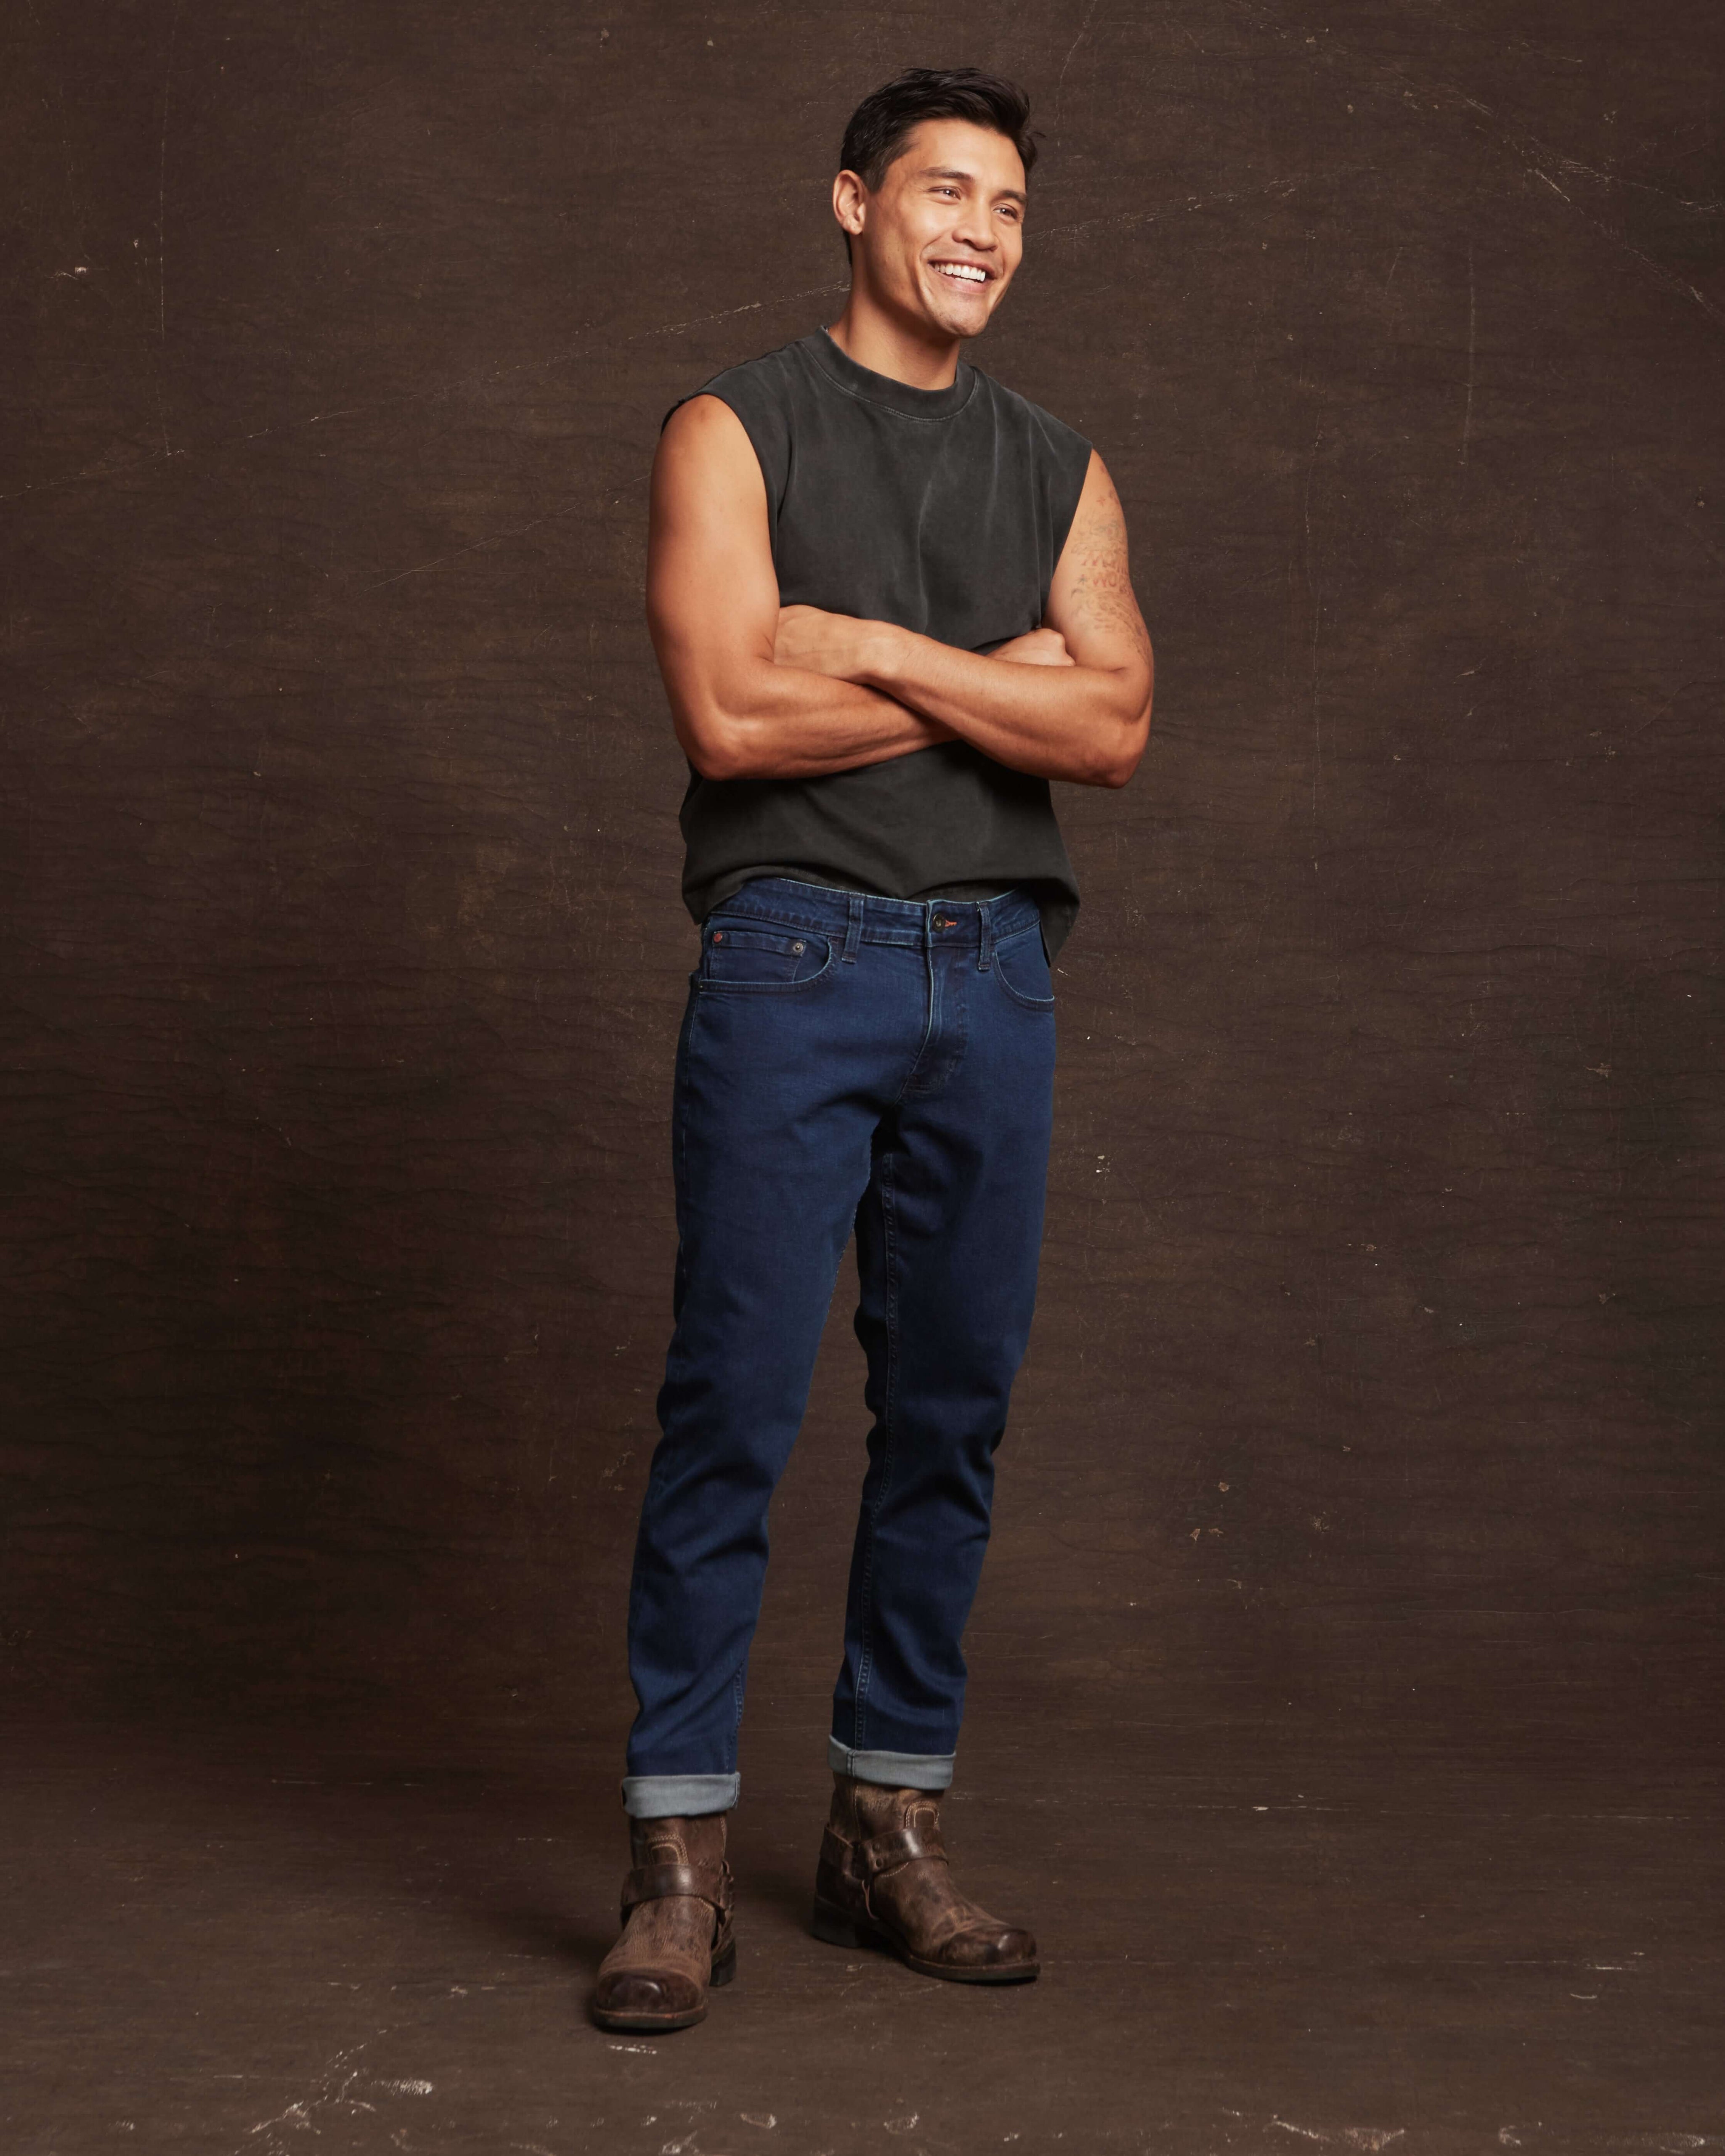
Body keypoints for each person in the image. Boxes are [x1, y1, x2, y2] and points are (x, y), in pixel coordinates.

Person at [591, 66, 1153, 2033]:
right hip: (791, 957)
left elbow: (1115, 729)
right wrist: (1004, 679)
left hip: (992, 976)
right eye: (941, 191)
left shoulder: (1060, 464)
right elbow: (732, 721)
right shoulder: (731, 426)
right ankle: (674, 1858)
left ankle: (880, 1827)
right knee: (731, 1403)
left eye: (1007, 202)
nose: (978, 230)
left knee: (951, 1414)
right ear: (851, 203)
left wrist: (878, 646)